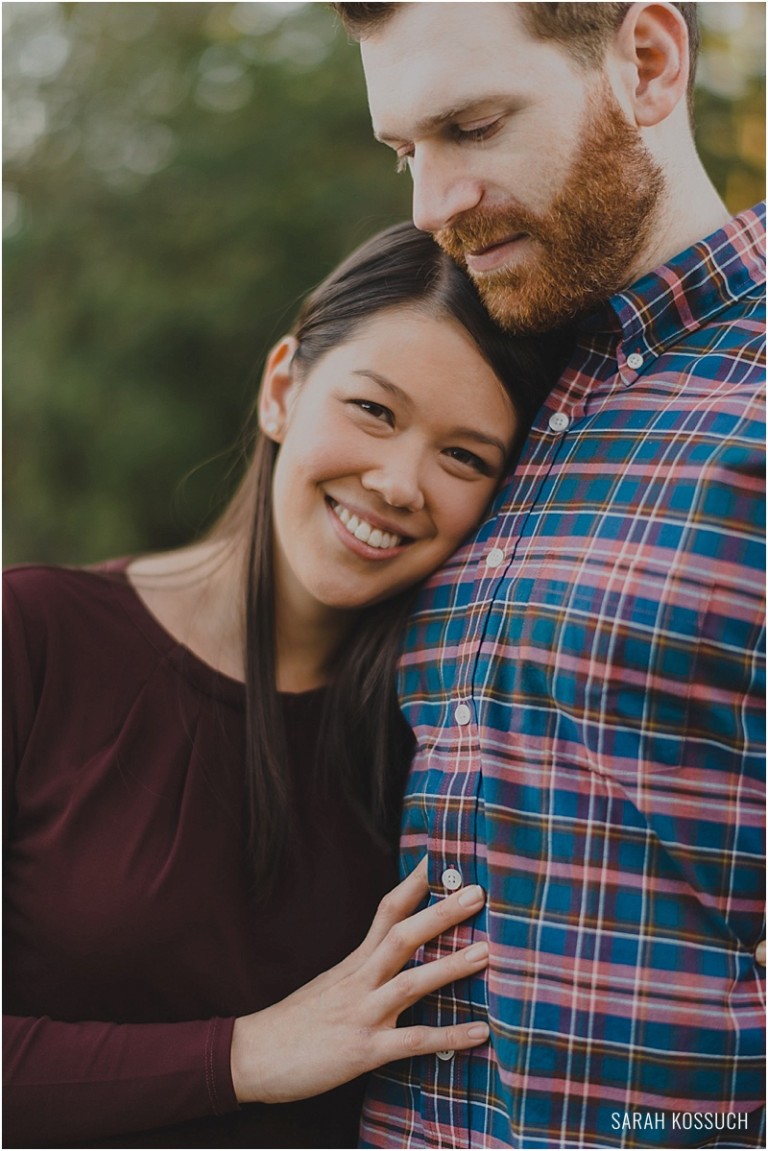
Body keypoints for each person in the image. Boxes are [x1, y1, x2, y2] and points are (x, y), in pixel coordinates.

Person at [3, 222, 558, 1149]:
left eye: (464, 457)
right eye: (375, 410)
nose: (397, 481)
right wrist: (248, 1054)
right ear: (281, 388)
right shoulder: (36, 638)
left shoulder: (442, 737)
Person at [332, 4, 766, 1148]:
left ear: (648, 61)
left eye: (472, 126)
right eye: (406, 153)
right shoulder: (480, 391)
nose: (431, 206)